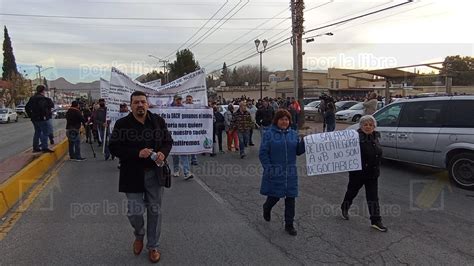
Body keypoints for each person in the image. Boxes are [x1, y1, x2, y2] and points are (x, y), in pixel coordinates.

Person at [109, 91, 173, 263]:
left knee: (155, 211)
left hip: (155, 174)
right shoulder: (122, 124)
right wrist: (137, 153)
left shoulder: (158, 121)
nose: (140, 105)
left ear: (147, 104)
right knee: (135, 212)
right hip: (132, 174)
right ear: (131, 105)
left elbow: (168, 141)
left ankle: (153, 246)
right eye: (136, 102)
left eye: (143, 102)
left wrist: (162, 153)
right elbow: (114, 148)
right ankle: (139, 235)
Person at [259, 109, 305, 236]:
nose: (284, 122)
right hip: (275, 171)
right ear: (277, 120)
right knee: (274, 196)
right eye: (282, 119)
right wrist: (269, 168)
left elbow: (298, 151)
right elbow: (263, 153)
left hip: (290, 173)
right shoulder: (269, 134)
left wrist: (305, 142)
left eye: (287, 119)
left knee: (291, 198)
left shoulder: (293, 134)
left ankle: (289, 224)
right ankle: (267, 207)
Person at [340, 115, 387, 232]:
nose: (368, 127)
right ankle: (345, 207)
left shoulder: (375, 137)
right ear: (361, 126)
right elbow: (345, 151)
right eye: (365, 124)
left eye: (370, 125)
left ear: (374, 126)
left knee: (373, 198)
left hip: (372, 174)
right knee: (352, 192)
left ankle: (376, 220)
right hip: (358, 173)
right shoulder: (355, 138)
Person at [25, 85, 55, 153]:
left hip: (34, 119)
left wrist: (30, 115)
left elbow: (27, 107)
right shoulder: (42, 98)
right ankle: (44, 147)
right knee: (45, 132)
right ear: (43, 91)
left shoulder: (32, 98)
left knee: (37, 132)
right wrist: (44, 116)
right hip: (42, 119)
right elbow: (42, 108)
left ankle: (35, 147)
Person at [171, 95, 194, 180]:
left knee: (184, 152)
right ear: (174, 100)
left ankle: (186, 172)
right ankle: (176, 170)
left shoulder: (185, 108)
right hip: (173, 134)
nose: (179, 101)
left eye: (180, 100)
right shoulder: (169, 109)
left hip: (183, 134)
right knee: (175, 154)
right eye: (177, 100)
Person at [184, 95, 198, 165]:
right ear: (186, 100)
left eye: (190, 99)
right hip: (185, 128)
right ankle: (187, 159)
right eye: (187, 99)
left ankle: (194, 159)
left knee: (193, 143)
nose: (189, 101)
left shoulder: (195, 107)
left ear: (192, 100)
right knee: (186, 144)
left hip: (193, 127)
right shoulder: (183, 107)